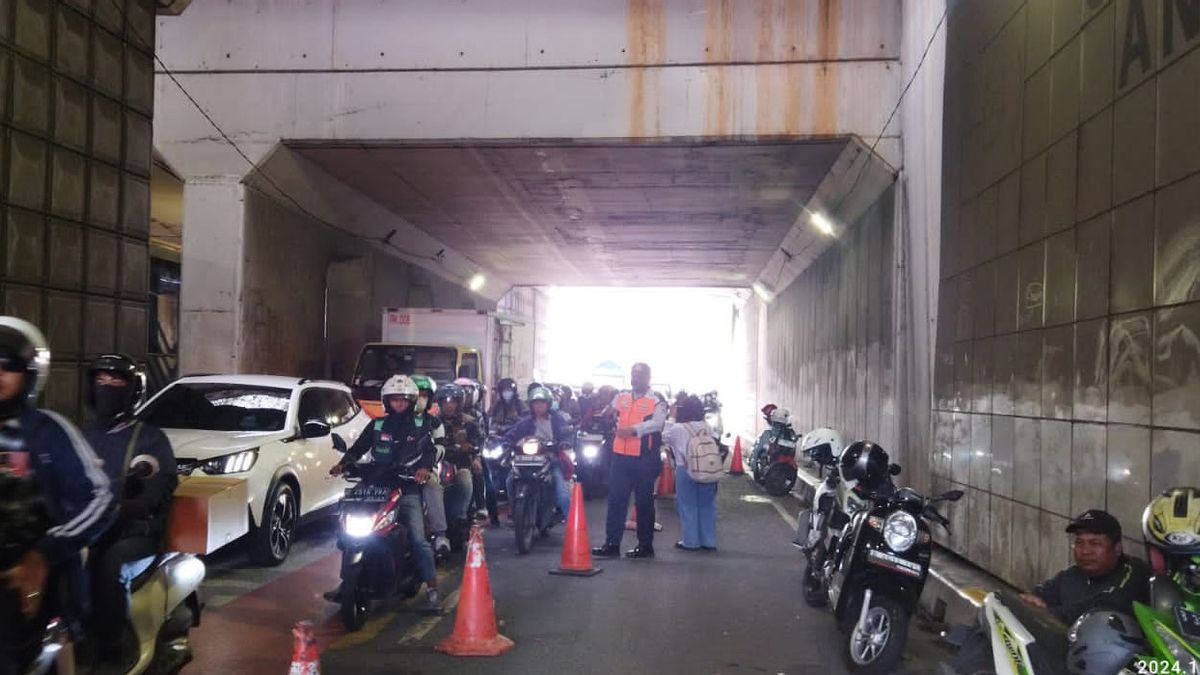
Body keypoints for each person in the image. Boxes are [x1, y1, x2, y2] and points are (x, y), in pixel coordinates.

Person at [0, 317, 113, 674]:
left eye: (8, 367)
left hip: (31, 580)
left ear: (29, 374)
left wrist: (43, 555)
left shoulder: (49, 431)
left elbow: (100, 497)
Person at [81, 354, 177, 673]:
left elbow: (158, 486)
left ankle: (113, 648)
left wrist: (129, 506)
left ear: (132, 389)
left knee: (109, 564)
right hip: (87, 528)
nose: (106, 387)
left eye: (116, 382)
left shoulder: (149, 437)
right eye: (101, 381)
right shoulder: (82, 435)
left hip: (135, 532)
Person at [329, 375, 440, 611]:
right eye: (393, 400)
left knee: (419, 540)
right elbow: (358, 448)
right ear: (386, 402)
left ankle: (431, 587)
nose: (398, 404)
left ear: (411, 402)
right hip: (374, 486)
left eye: (403, 400)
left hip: (406, 487)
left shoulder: (421, 426)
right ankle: (345, 581)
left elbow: (429, 451)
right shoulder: (377, 425)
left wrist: (423, 469)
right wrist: (343, 463)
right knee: (345, 528)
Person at [1019, 509, 1149, 625]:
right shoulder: (1072, 575)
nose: (1085, 551)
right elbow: (1037, 596)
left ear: (1117, 549)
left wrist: (1048, 613)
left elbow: (1101, 609)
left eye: (1095, 543)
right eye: (1079, 542)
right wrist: (1033, 602)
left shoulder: (1133, 572)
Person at [592, 363, 668, 559]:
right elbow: (609, 411)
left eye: (640, 374)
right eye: (633, 374)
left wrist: (634, 430)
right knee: (616, 501)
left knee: (644, 503)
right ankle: (611, 544)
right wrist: (606, 414)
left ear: (648, 378)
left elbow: (657, 424)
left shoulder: (657, 400)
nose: (636, 378)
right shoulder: (622, 396)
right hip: (620, 457)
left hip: (644, 458)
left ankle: (645, 546)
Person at [501, 386, 572, 519]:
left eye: (542, 402)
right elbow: (511, 435)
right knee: (510, 480)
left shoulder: (557, 419)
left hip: (550, 459)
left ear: (548, 404)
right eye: (535, 403)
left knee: (562, 491)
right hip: (526, 460)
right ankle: (515, 508)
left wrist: (564, 442)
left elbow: (566, 434)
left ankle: (571, 523)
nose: (538, 406)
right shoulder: (525, 422)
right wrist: (503, 442)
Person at [664, 395, 717, 552]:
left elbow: (664, 437)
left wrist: (671, 418)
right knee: (707, 506)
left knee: (687, 506)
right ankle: (709, 541)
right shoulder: (707, 427)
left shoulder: (678, 428)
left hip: (685, 470)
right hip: (708, 469)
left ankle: (691, 542)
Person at [409, 375, 451, 558]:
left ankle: (441, 536)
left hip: (424, 471)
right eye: (417, 394)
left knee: (432, 485)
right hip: (394, 471)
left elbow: (440, 448)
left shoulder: (434, 423)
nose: (420, 398)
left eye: (424, 395)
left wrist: (426, 464)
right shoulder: (389, 421)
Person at [436, 384, 482, 525]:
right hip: (436, 465)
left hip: (461, 465)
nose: (449, 406)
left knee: (470, 475)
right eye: (445, 402)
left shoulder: (470, 422)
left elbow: (476, 443)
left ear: (459, 403)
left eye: (453, 402)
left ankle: (475, 509)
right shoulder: (432, 421)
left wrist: (473, 453)